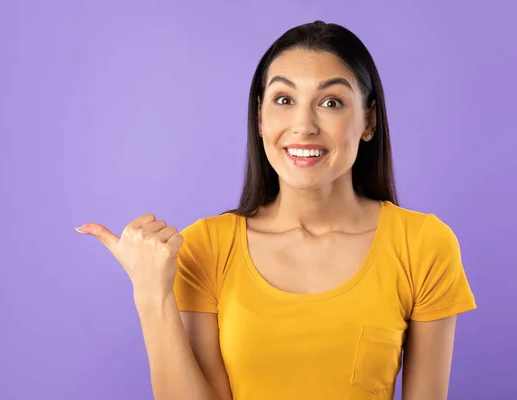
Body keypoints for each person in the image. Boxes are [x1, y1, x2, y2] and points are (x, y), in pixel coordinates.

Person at [76, 20, 476, 400]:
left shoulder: (423, 245)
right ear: (260, 118)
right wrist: (151, 294)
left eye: (331, 102)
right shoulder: (207, 247)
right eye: (284, 99)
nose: (303, 125)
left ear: (368, 121)